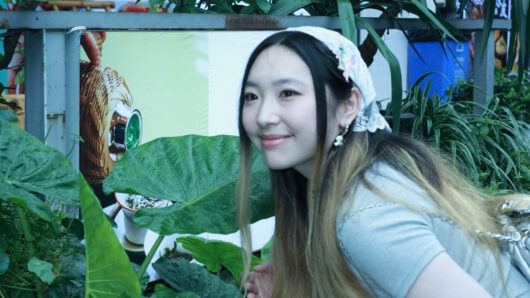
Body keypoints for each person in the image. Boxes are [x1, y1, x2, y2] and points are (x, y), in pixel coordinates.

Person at [235, 26, 530, 297]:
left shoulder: (367, 216)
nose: (263, 116)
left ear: (349, 105)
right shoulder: (362, 173)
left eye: (288, 93)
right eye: (251, 96)